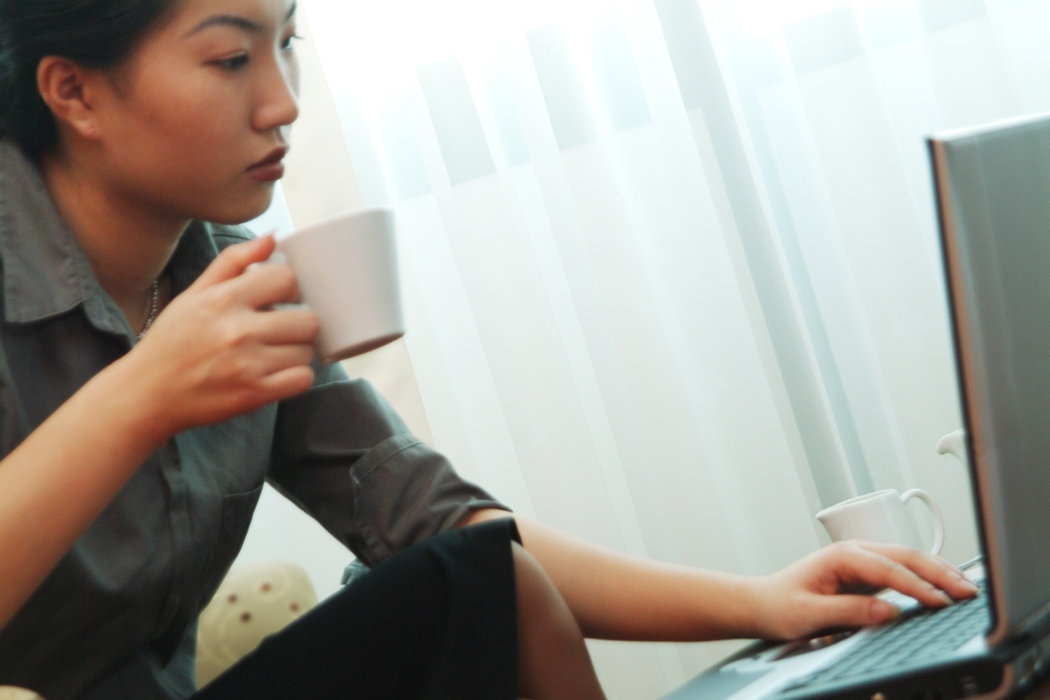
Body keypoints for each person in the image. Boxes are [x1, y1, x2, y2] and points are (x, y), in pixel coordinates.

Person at [0, 0, 979, 698]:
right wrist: (145, 392)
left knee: (478, 585)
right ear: (74, 92)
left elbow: (442, 521)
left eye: (288, 42)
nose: (284, 100)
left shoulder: (231, 286)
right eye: (229, 60)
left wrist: (758, 601)